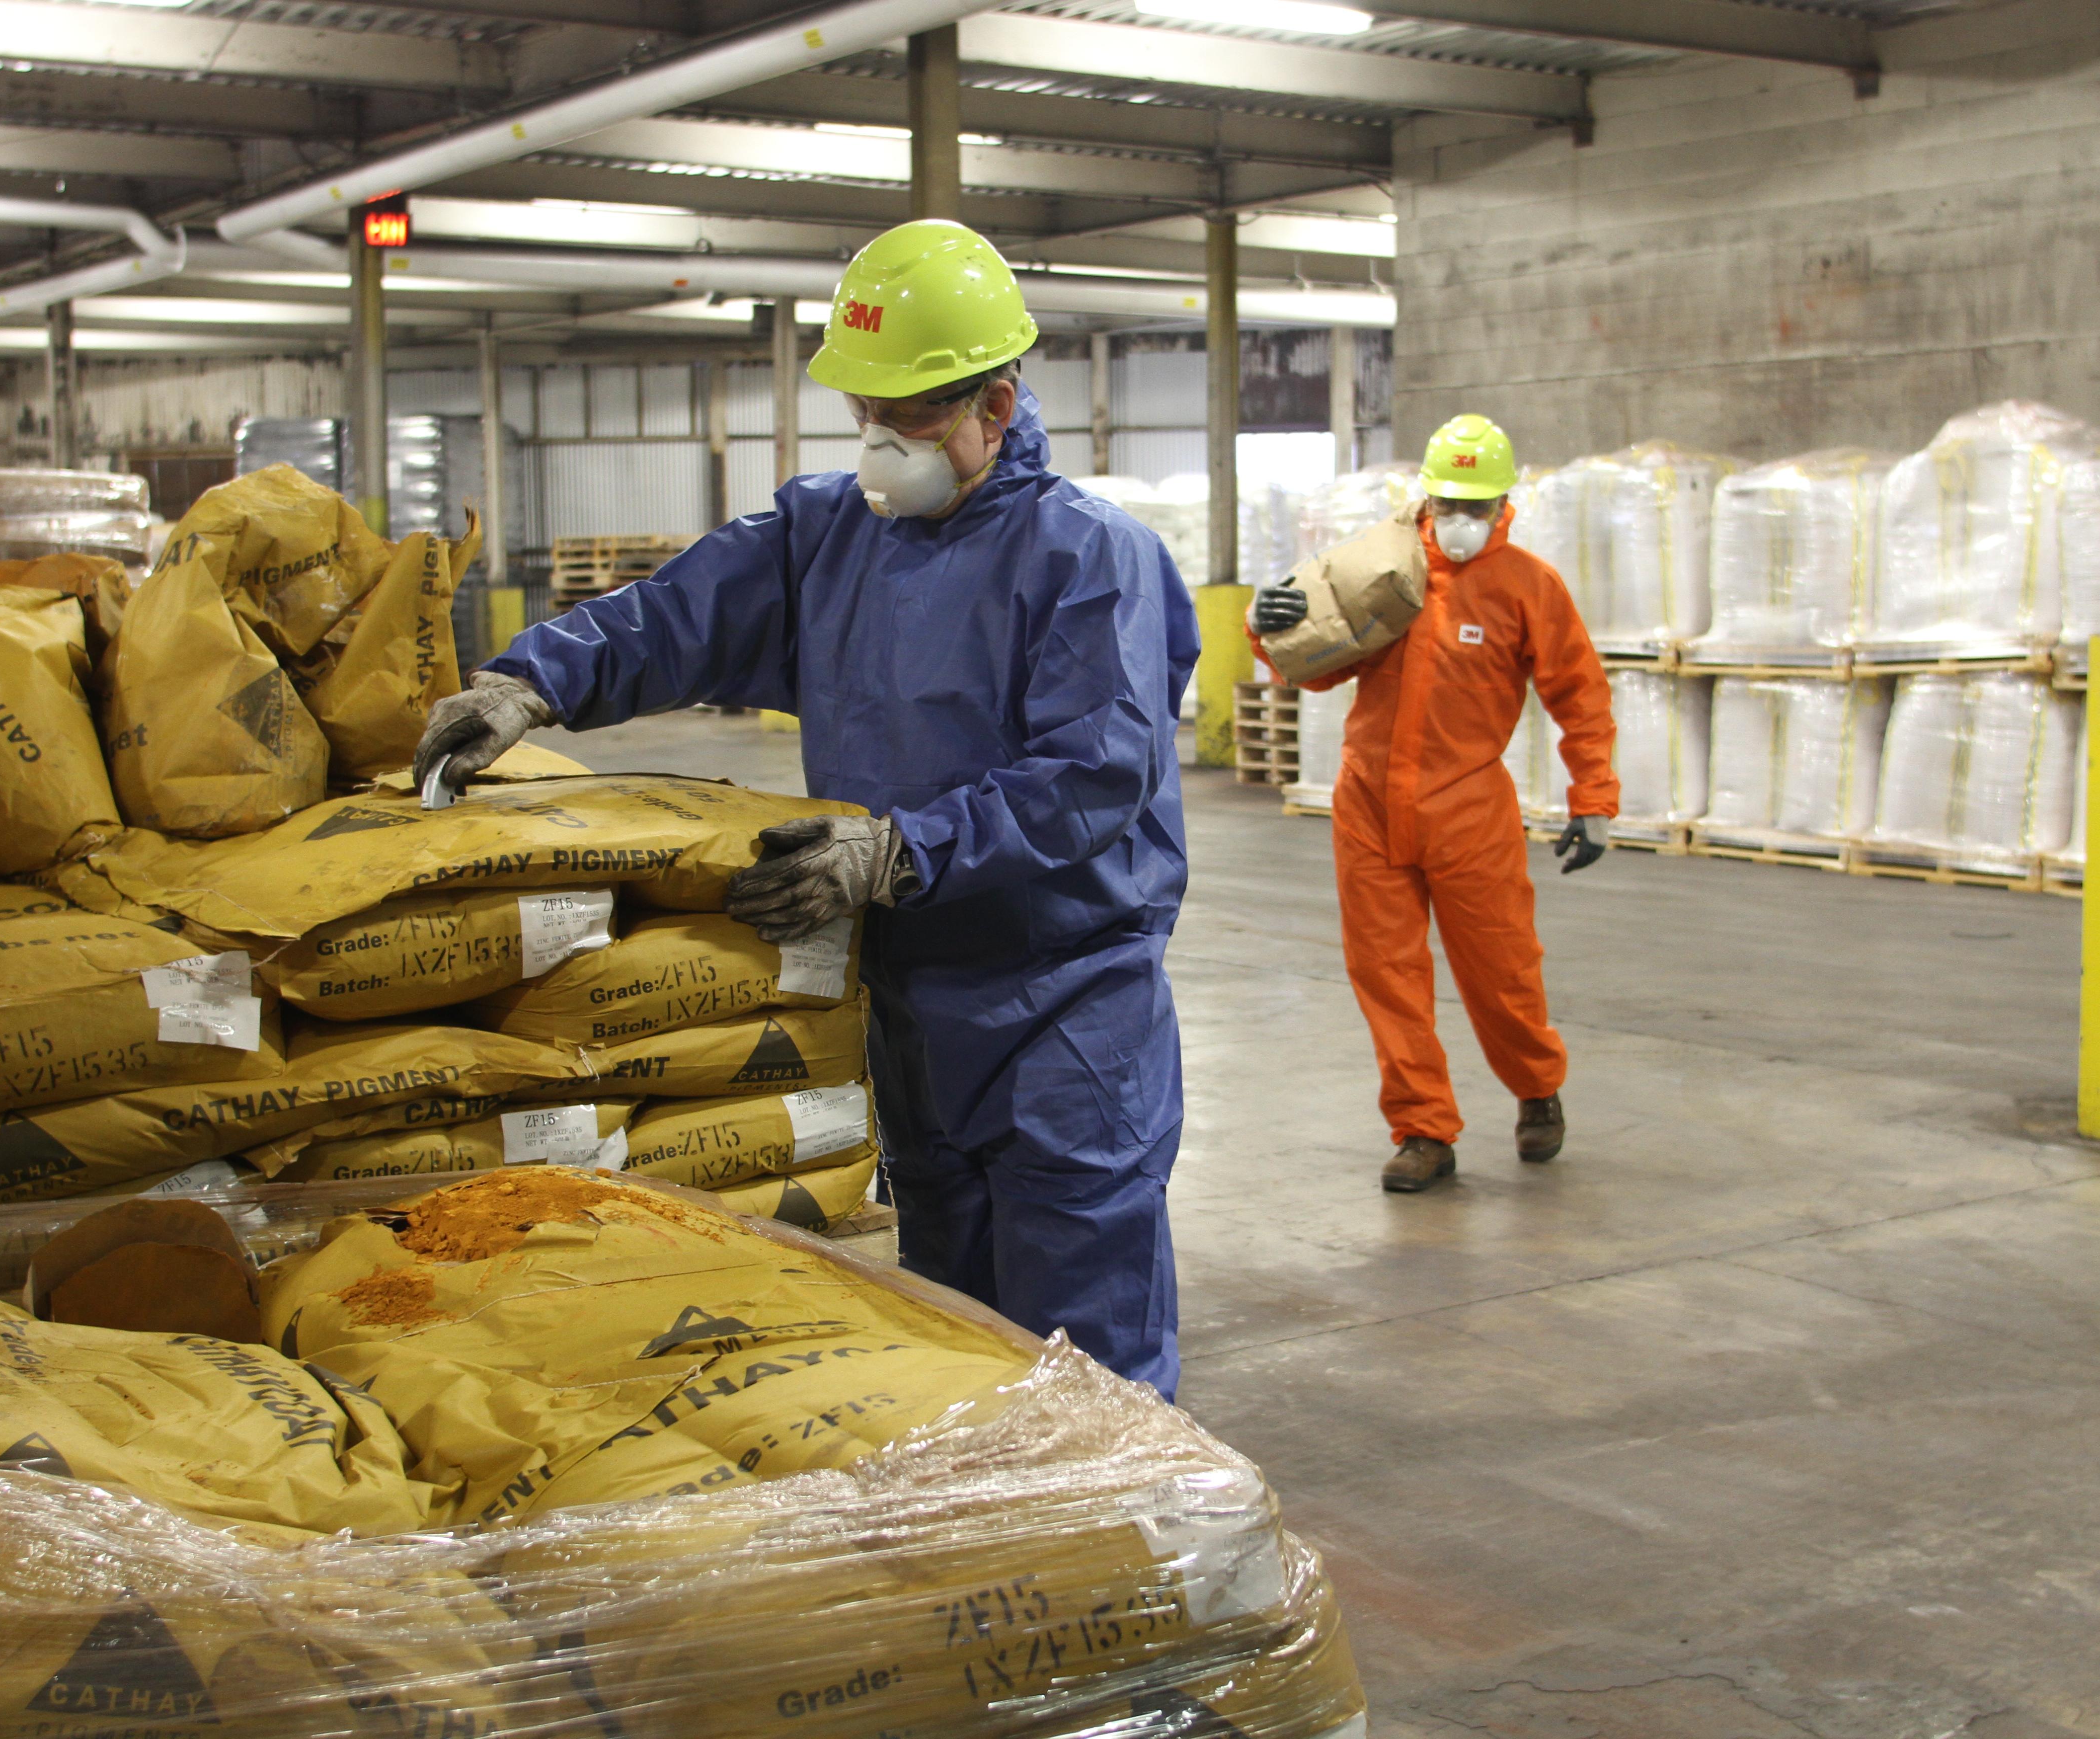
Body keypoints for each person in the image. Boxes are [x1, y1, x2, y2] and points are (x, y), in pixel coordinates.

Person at [413, 220, 1199, 1396]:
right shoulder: (830, 536)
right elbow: (678, 614)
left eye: (911, 415)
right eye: (864, 409)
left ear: (997, 404)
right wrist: (534, 681)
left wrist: (899, 852)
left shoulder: (1087, 558)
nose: (882, 439)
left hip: (1065, 1008)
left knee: (1084, 1335)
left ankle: (1128, 1512)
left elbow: (1096, 770)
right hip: (907, 999)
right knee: (953, 1329)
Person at [1252, 414, 1616, 1194]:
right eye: (1450, 503)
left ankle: (1537, 1088)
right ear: (1426, 496)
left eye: (1477, 506)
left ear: (1505, 504)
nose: (1461, 520)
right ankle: (1423, 1130)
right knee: (1386, 973)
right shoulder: (1385, 571)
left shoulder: (1529, 588)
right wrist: (1266, 625)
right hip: (1370, 803)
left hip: (1468, 807)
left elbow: (1580, 695)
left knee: (1502, 968)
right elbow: (1317, 664)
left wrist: (1594, 800)